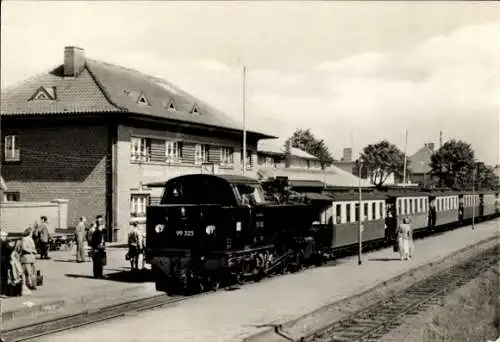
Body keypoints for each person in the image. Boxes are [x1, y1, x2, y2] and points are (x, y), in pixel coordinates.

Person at [0, 230, 12, 296]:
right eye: (4, 236)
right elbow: (10, 250)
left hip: (3, 262)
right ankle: (3, 293)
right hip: (4, 263)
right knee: (4, 278)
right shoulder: (5, 243)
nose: (5, 237)